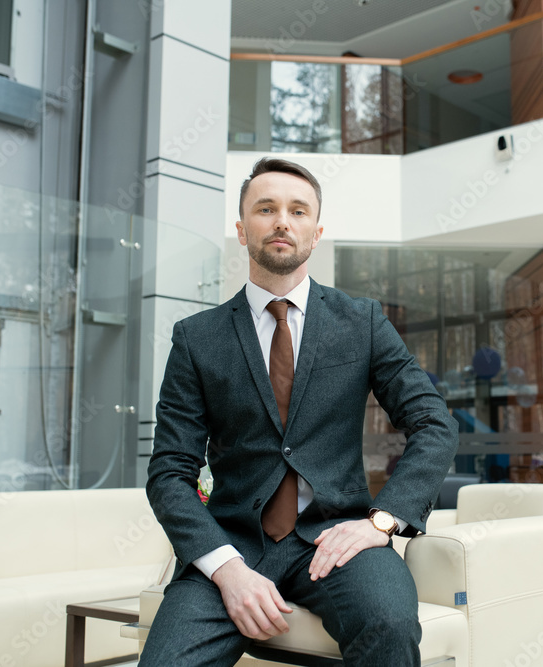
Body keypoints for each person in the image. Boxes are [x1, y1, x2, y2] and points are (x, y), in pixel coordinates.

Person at [140, 157, 459, 666]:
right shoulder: (197, 339)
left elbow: (433, 424)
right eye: (266, 209)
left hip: (339, 542)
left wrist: (381, 522)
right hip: (232, 546)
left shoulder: (363, 322)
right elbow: (169, 474)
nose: (282, 221)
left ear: (317, 230)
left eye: (298, 210)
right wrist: (225, 568)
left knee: (390, 625)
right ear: (243, 230)